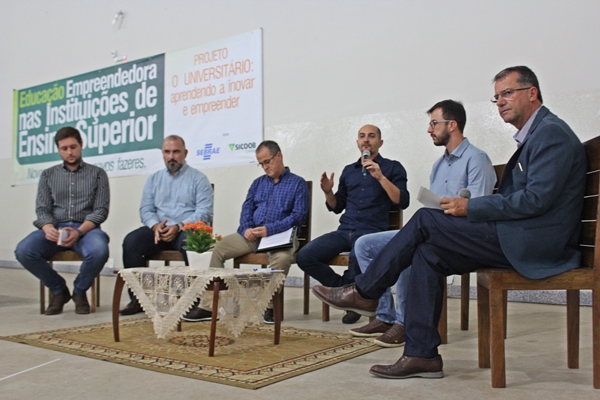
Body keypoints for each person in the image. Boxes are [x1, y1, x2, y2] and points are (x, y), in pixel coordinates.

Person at [311, 66, 586, 379]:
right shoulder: (538, 134)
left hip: (536, 243)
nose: (500, 102)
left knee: (426, 219)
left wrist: (470, 207)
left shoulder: (550, 133)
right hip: (521, 234)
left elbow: (536, 200)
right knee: (426, 253)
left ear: (532, 93)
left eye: (507, 93)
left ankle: (365, 290)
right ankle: (421, 354)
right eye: (496, 97)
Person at [350, 100, 496, 347]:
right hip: (434, 228)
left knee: (414, 247)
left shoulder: (477, 158)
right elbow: (435, 207)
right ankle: (385, 316)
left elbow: (479, 211)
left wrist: (453, 210)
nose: (429, 129)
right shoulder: (439, 165)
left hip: (460, 235)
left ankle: (404, 324)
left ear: (452, 125)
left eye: (434, 123)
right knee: (364, 245)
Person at [185, 140, 309, 324]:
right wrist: (246, 229)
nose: (265, 167)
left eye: (268, 161)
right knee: (217, 248)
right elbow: (246, 209)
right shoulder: (257, 183)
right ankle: (209, 305)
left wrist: (270, 229)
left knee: (282, 259)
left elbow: (299, 216)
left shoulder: (297, 183)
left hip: (280, 237)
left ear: (279, 156)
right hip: (254, 236)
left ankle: (269, 307)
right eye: (261, 163)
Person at [297, 124, 409, 324]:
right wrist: (328, 192)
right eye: (362, 136)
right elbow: (337, 206)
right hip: (345, 230)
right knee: (305, 256)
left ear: (380, 142)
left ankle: (353, 298)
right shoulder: (349, 171)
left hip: (371, 232)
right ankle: (348, 291)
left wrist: (381, 177)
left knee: (359, 251)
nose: (366, 140)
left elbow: (402, 201)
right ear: (358, 142)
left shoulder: (392, 167)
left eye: (371, 136)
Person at [15, 126, 110, 315]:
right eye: (64, 148)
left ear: (81, 145)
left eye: (73, 147)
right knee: (24, 251)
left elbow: (101, 210)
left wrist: (79, 232)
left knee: (99, 250)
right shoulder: (48, 175)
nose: (69, 152)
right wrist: (48, 227)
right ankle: (59, 290)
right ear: (58, 149)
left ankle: (79, 292)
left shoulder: (98, 174)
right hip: (55, 228)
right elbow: (42, 208)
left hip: (86, 230)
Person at [119, 135, 213, 316]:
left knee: (191, 243)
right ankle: (138, 299)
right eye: (167, 152)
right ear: (162, 154)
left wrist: (179, 226)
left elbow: (205, 211)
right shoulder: (154, 179)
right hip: (158, 231)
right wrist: (155, 226)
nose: (171, 156)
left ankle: (193, 300)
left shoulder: (199, 179)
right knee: (131, 242)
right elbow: (145, 209)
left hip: (184, 229)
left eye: (176, 152)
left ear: (185, 153)